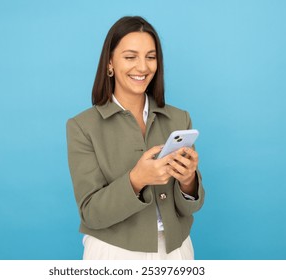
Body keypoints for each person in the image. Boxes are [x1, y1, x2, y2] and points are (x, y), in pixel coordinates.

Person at [66, 16, 205, 260]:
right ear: (110, 63)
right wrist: (136, 180)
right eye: (130, 57)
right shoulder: (82, 126)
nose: (142, 67)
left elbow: (191, 207)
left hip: (176, 251)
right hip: (114, 253)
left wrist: (188, 181)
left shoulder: (179, 119)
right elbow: (90, 213)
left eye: (150, 57)